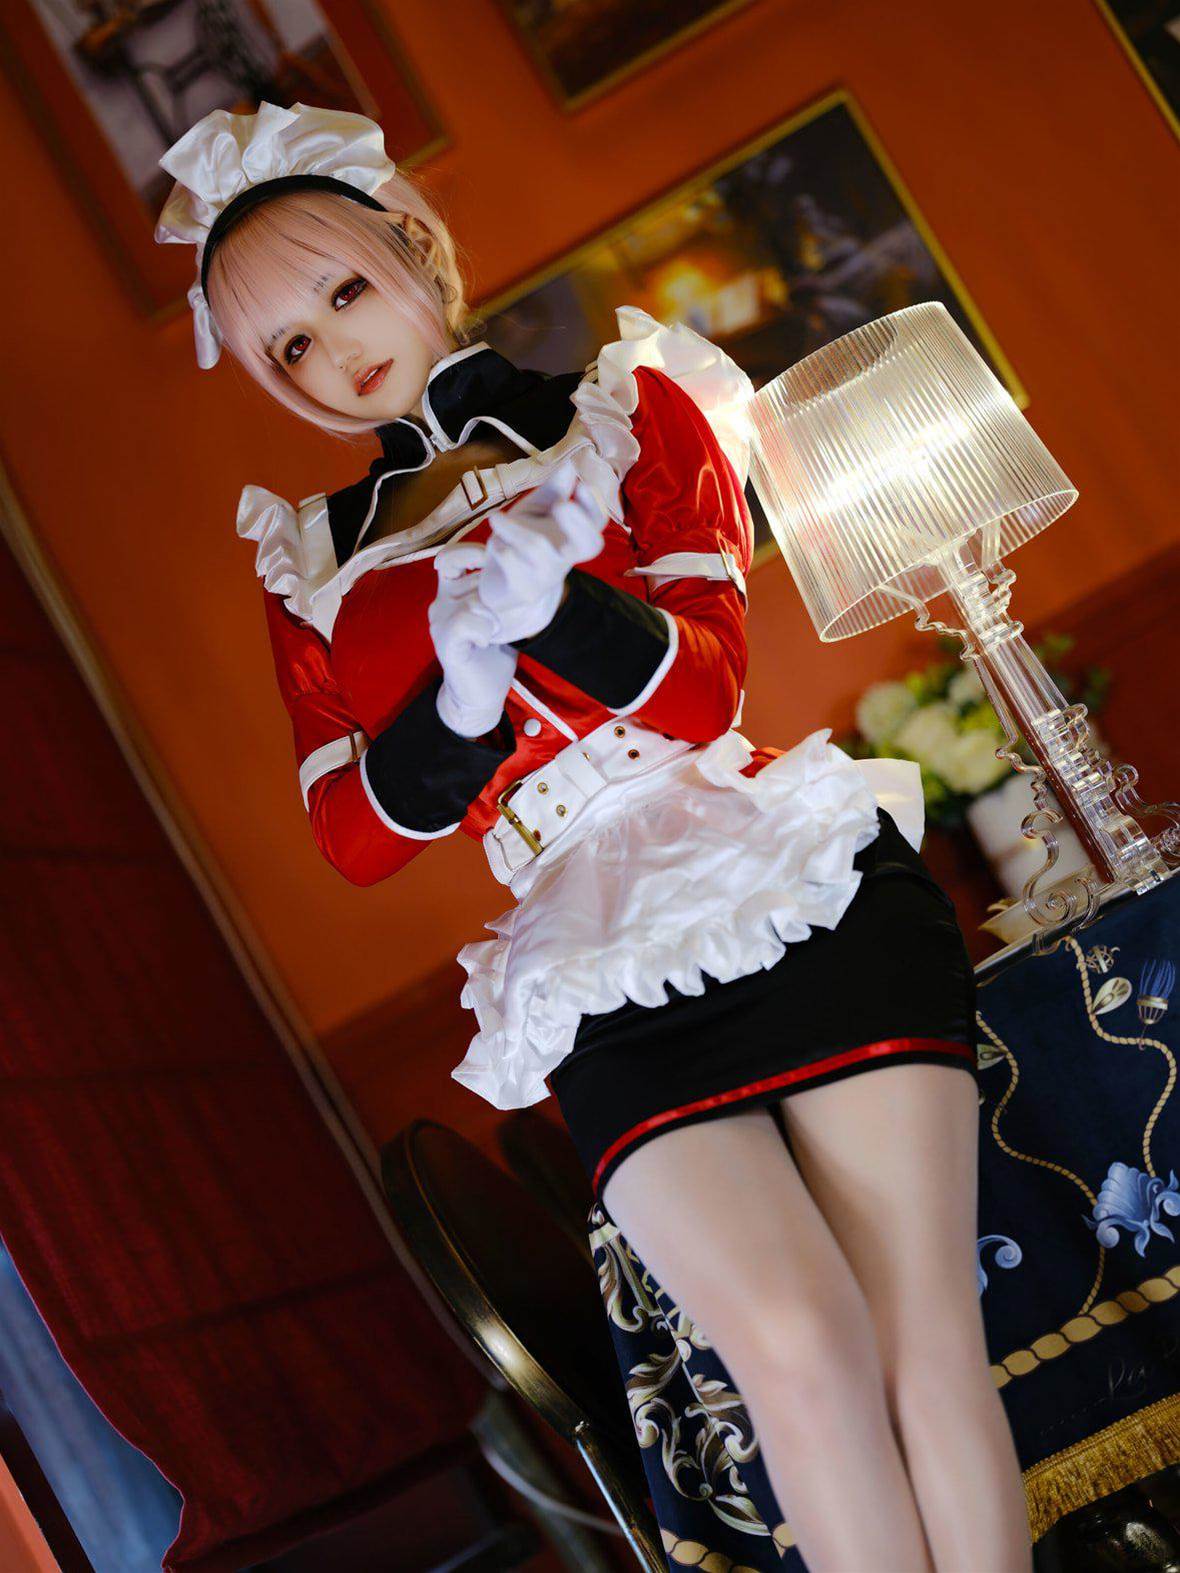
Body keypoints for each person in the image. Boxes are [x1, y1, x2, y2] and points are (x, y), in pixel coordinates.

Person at [155, 100, 1033, 1572]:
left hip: (793, 888)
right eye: (286, 346)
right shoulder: (307, 567)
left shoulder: (624, 408)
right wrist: (460, 701)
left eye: (345, 289)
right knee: (797, 1351)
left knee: (919, 1332)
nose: (331, 352)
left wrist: (560, 610)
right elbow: (351, 835)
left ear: (413, 242)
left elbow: (705, 689)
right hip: (590, 962)